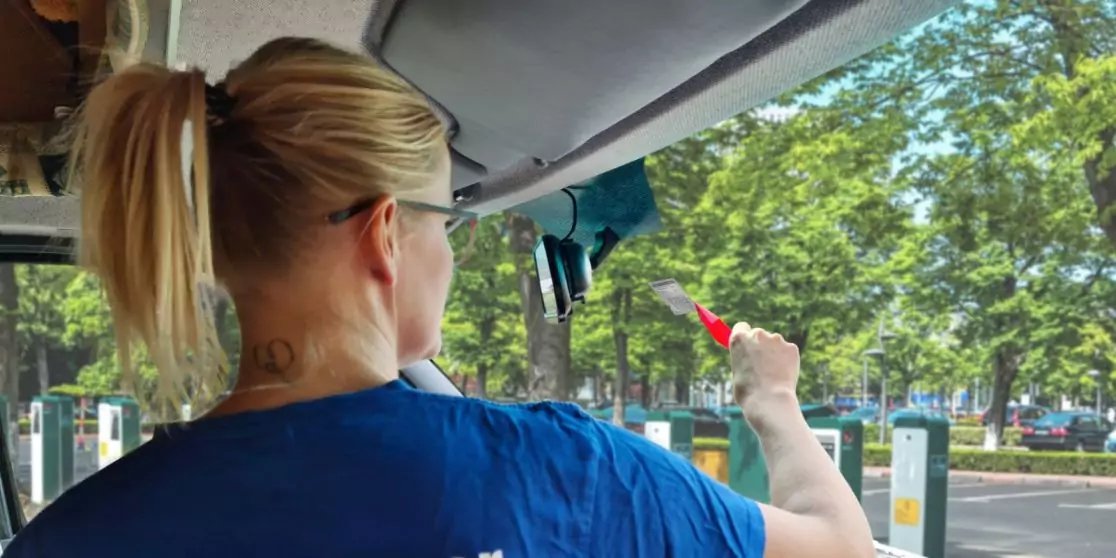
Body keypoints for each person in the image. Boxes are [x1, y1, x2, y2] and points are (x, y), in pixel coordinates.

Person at [6, 38, 874, 558]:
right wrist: (774, 402)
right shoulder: (565, 471)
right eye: (444, 222)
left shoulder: (76, 536)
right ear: (384, 234)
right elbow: (838, 549)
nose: (449, 257)